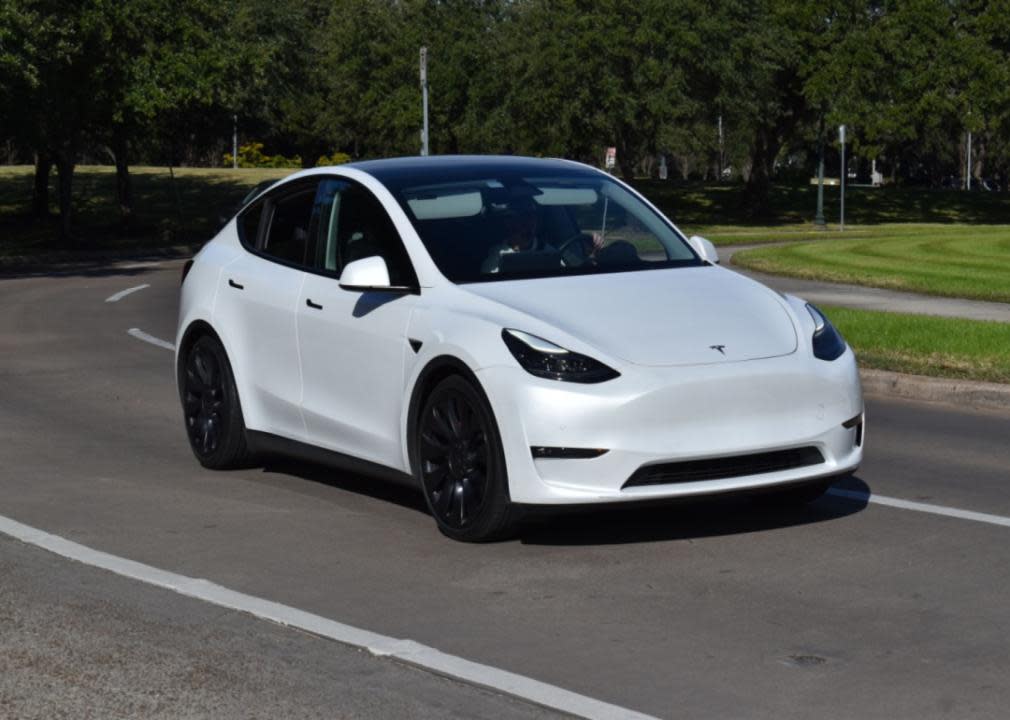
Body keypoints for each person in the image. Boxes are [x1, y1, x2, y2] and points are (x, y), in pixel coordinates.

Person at [480, 201, 604, 274]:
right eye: (522, 217)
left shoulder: (548, 250)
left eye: (532, 217)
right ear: (509, 223)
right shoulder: (498, 255)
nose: (528, 223)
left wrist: (590, 254)